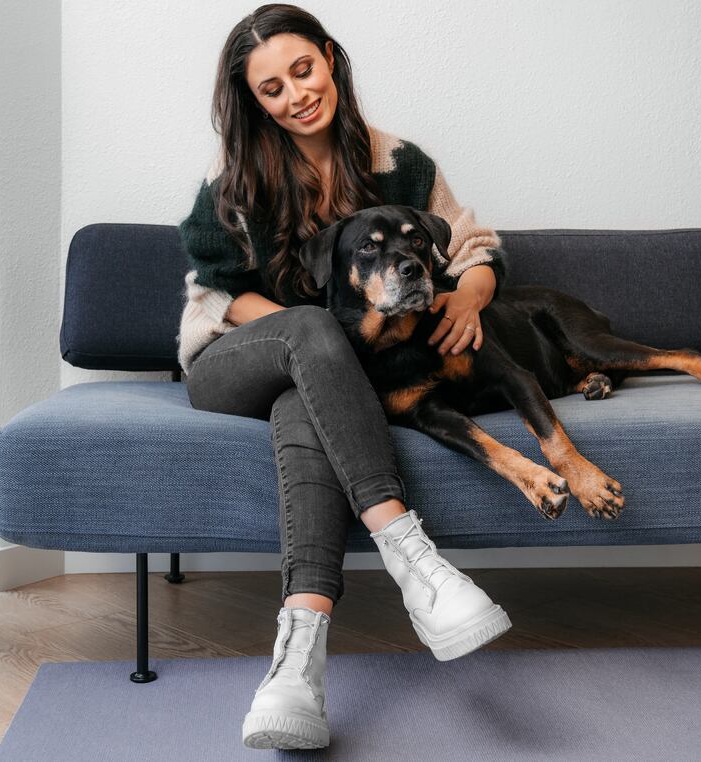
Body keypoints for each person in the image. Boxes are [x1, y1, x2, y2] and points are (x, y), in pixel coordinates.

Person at [177, 3, 511, 751]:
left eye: (303, 70)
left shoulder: (401, 162)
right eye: (272, 88)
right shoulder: (232, 175)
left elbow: (474, 242)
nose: (296, 94)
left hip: (317, 377)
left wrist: (472, 290)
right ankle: (412, 557)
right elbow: (217, 288)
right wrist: (310, 328)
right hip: (231, 359)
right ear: (252, 101)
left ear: (330, 58)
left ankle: (298, 662)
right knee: (312, 332)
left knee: (307, 401)